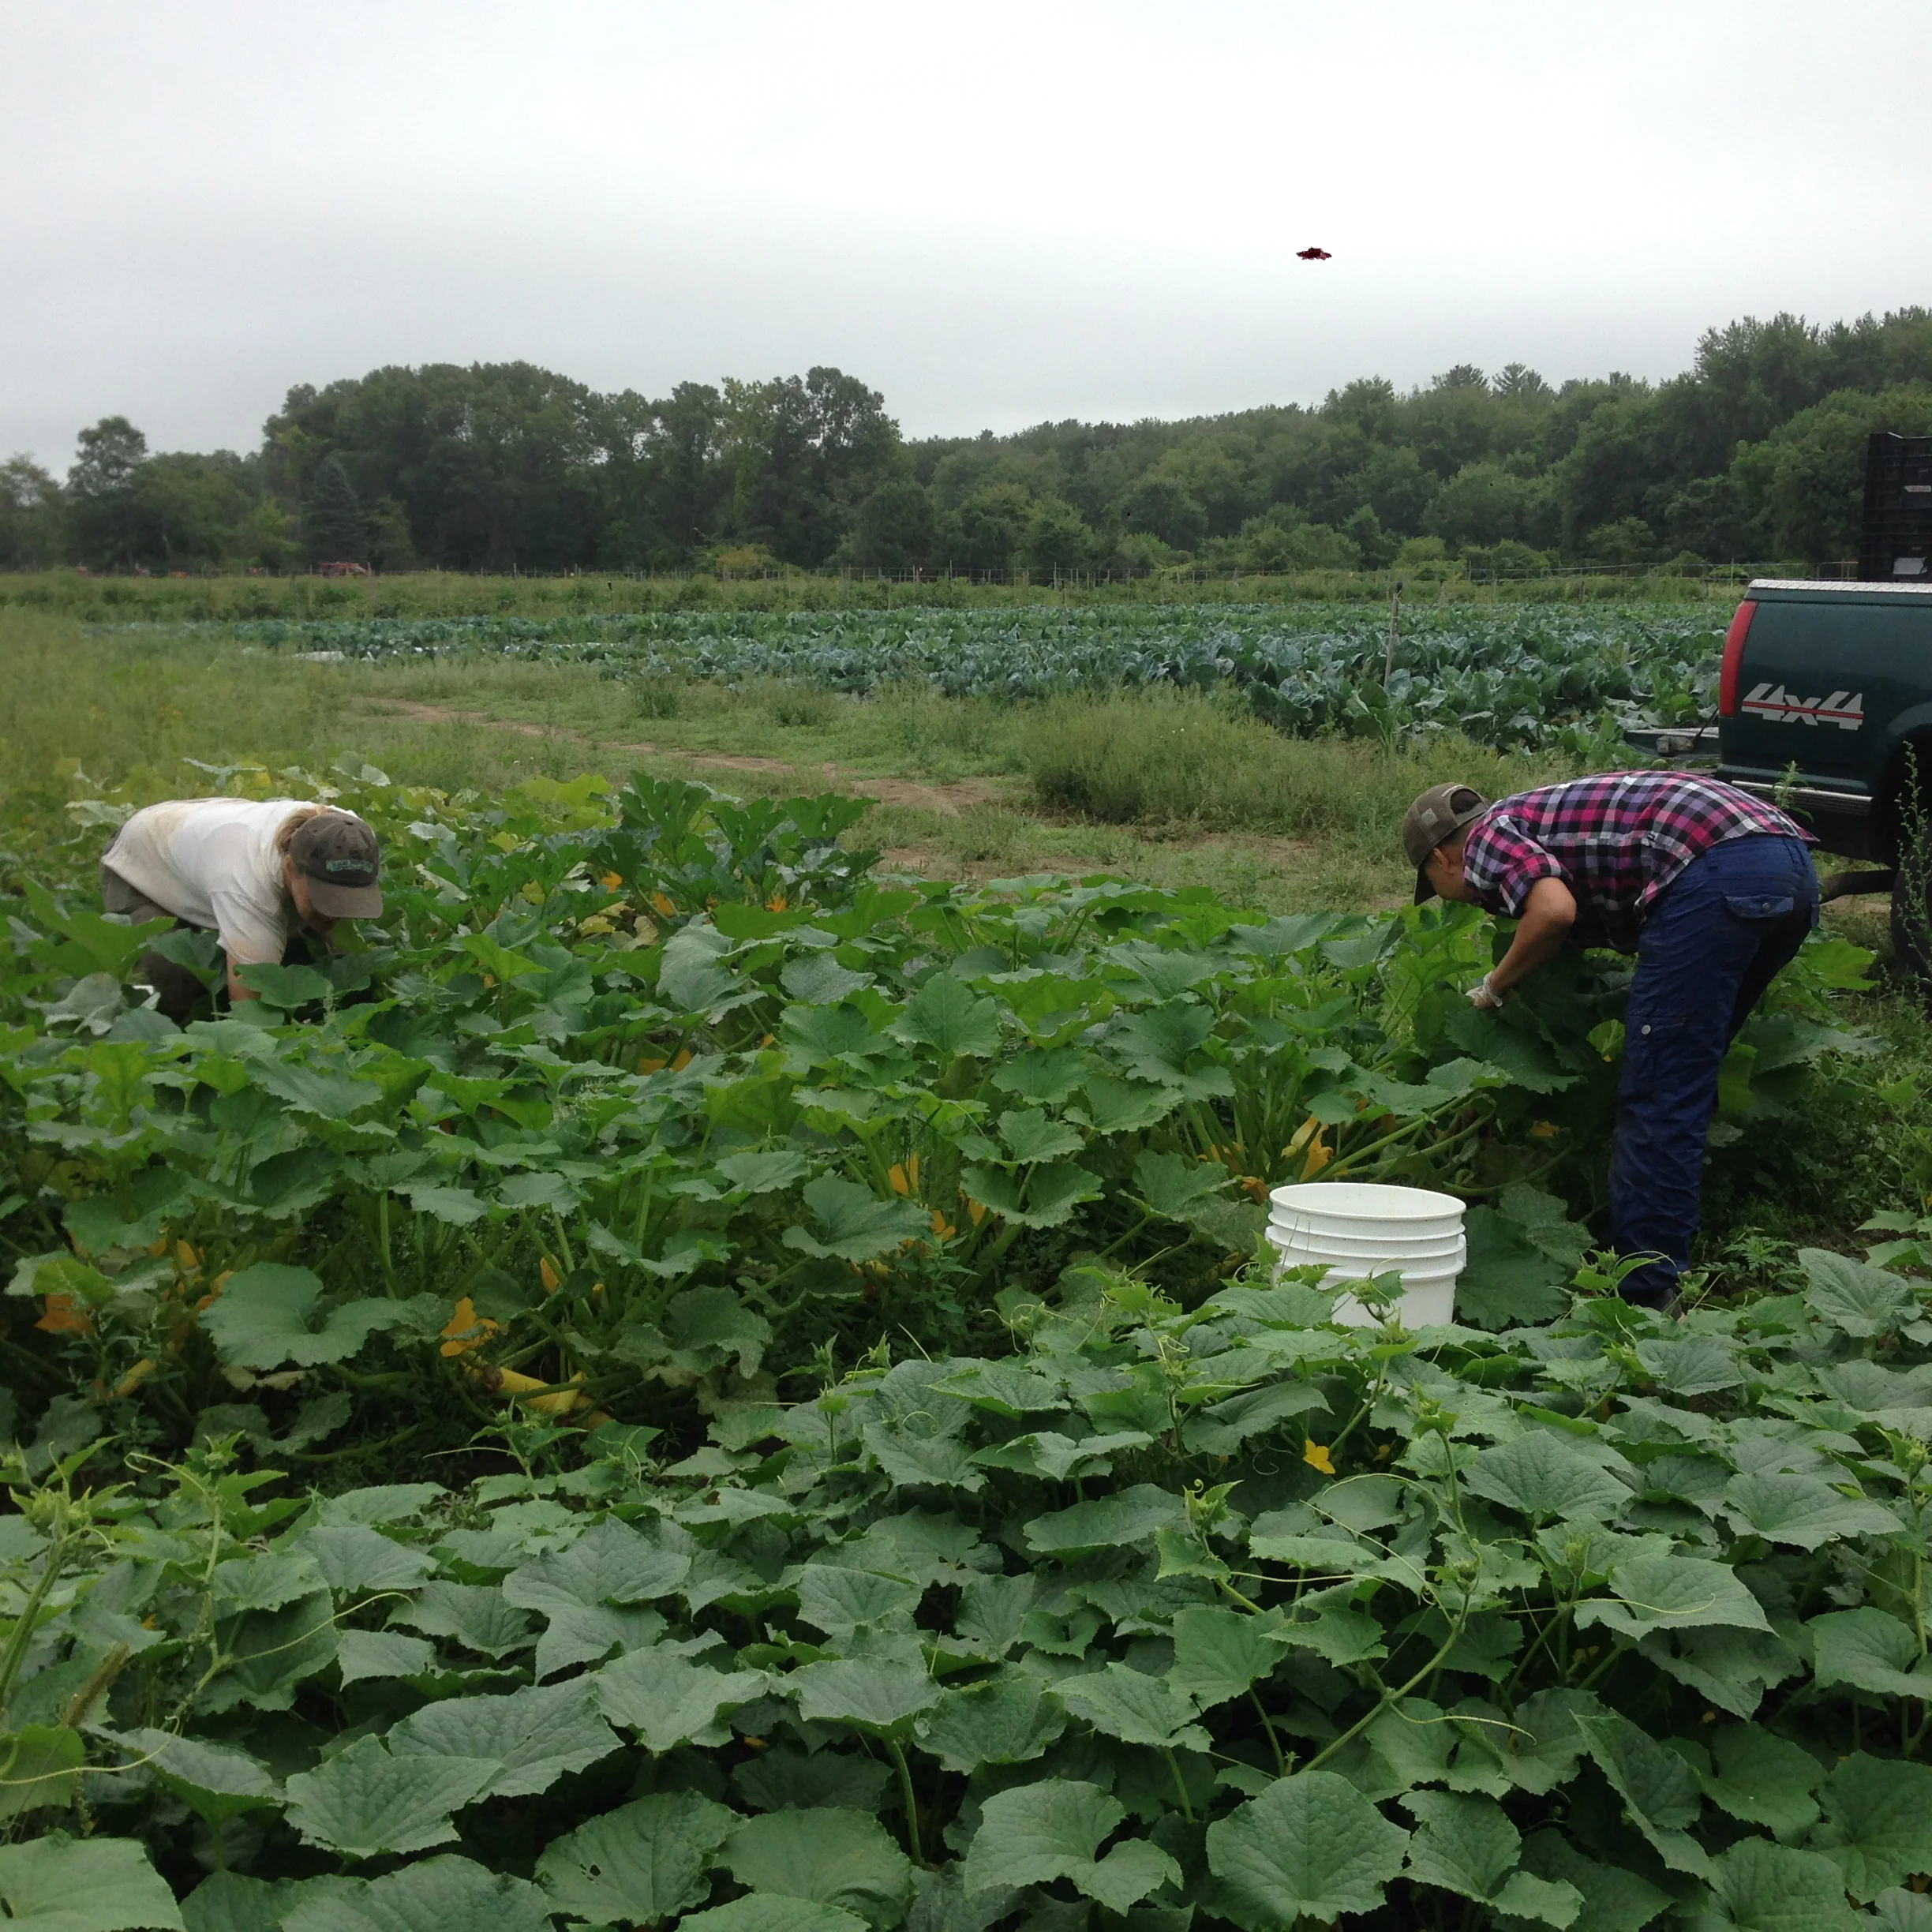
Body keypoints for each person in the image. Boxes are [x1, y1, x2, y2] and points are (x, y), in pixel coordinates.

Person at [1402, 770, 1818, 1309]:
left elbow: (1552, 912)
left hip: (1713, 866)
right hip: (1785, 861)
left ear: (1442, 860)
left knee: (1661, 1090)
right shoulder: (1531, 818)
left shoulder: (1487, 838)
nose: (1454, 900)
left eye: (1438, 891)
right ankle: (1656, 1251)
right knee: (1687, 1071)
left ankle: (1642, 1292)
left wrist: (1493, 990)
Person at [99, 798, 383, 1020]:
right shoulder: (245, 881)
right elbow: (249, 1012)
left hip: (205, 831)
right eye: (325, 898)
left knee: (318, 959)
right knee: (177, 983)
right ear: (289, 868)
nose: (335, 913)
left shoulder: (352, 839)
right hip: (143, 861)